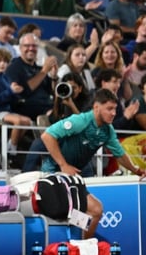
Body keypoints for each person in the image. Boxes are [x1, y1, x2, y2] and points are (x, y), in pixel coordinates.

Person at [37, 90, 146, 237]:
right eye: (109, 109)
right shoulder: (80, 121)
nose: (114, 113)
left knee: (94, 211)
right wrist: (63, 165)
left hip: (72, 179)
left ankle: (82, 249)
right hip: (53, 174)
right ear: (96, 107)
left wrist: (136, 170)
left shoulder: (108, 130)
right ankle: (72, 242)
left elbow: (119, 154)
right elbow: (47, 136)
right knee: (81, 211)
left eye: (115, 109)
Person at [0, 48, 34, 154]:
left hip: (5, 111)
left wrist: (16, 93)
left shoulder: (5, 78)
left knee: (28, 121)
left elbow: (9, 98)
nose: (2, 64)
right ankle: (11, 149)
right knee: (18, 121)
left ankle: (10, 144)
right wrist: (10, 91)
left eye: (5, 61)